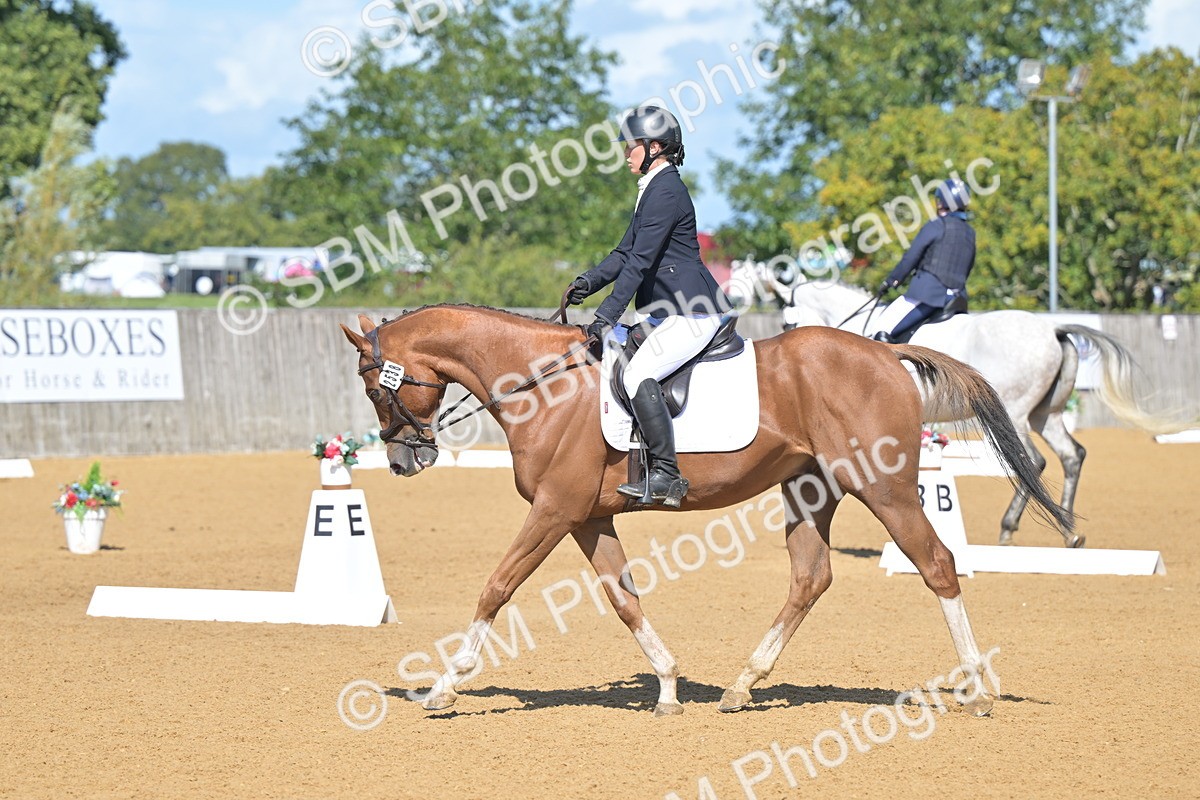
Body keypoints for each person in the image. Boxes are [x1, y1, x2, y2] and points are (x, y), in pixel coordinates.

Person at [565, 105, 733, 508]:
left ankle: (666, 475)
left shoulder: (667, 189)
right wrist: (589, 281)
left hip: (692, 311)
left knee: (640, 373)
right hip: (664, 311)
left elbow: (641, 262)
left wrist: (607, 314)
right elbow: (625, 253)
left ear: (654, 146)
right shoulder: (653, 187)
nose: (626, 153)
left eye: (631, 146)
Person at [872, 178, 976, 343]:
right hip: (958, 300)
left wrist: (891, 281)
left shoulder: (936, 225)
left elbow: (912, 257)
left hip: (928, 294)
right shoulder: (969, 232)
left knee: (879, 329)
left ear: (941, 202)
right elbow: (968, 266)